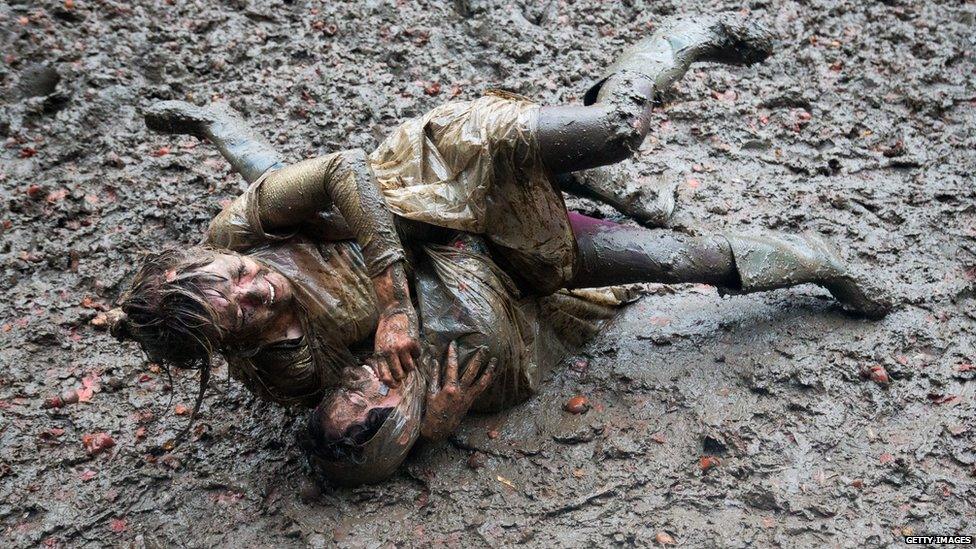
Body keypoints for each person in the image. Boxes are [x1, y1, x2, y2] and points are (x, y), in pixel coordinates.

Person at [109, 14, 890, 482]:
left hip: (438, 169)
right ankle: (821, 262)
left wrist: (387, 298)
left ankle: (683, 35)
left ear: (215, 257)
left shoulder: (234, 236)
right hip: (479, 261)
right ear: (224, 346)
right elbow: (357, 438)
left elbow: (316, 175)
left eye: (242, 277)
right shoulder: (287, 373)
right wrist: (437, 425)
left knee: (614, 131)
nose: (260, 290)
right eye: (242, 312)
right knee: (675, 261)